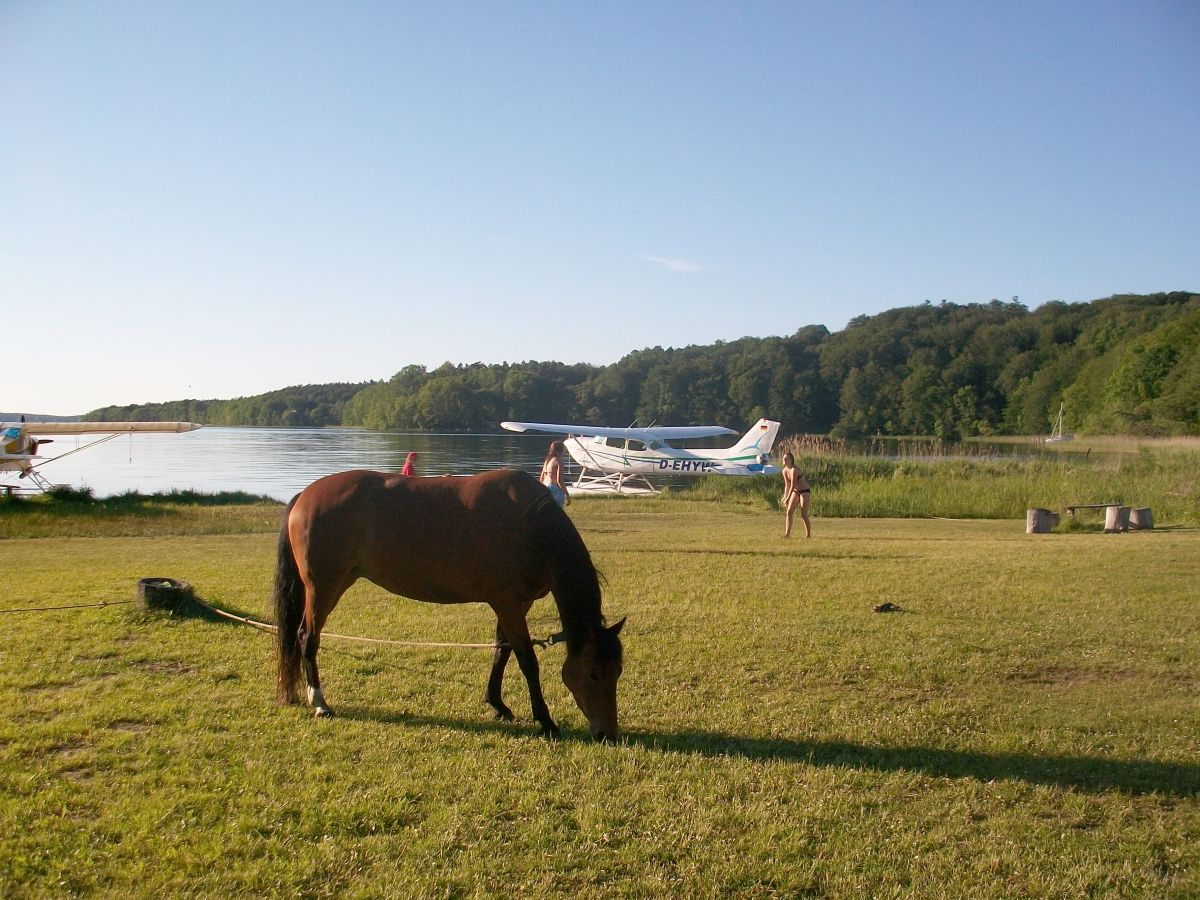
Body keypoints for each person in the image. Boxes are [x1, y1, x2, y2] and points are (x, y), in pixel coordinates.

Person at [780, 452, 811, 538]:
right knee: (789, 512)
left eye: (786, 459)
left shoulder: (794, 470)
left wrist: (787, 499)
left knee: (803, 514)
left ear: (791, 460)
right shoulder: (784, 470)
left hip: (804, 491)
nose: (784, 460)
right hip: (795, 491)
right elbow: (787, 485)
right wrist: (785, 497)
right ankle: (787, 534)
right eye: (784, 458)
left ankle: (808, 534)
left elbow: (793, 484)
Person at [540, 440, 570, 507]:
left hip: (546, 486)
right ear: (561, 449)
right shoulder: (559, 460)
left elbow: (542, 478)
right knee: (556, 511)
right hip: (554, 488)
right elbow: (559, 480)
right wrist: (567, 494)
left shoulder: (548, 460)